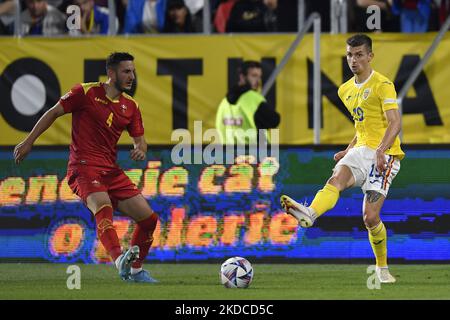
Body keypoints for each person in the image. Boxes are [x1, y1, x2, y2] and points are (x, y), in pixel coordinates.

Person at [14, 52, 158, 284]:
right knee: (103, 206)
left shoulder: (131, 105)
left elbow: (140, 140)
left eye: (133, 71)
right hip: (83, 167)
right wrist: (29, 141)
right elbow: (53, 113)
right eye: (126, 71)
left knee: (149, 220)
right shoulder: (86, 92)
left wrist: (140, 149)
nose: (132, 76)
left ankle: (135, 271)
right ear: (111, 73)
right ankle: (119, 258)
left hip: (111, 171)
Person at [280, 34, 404, 284]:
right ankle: (310, 213)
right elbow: (362, 127)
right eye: (349, 54)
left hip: (386, 154)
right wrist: (349, 149)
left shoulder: (383, 84)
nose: (354, 60)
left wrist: (381, 150)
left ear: (370, 56)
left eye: (359, 54)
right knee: (336, 178)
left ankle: (382, 269)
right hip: (360, 151)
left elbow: (395, 122)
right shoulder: (345, 90)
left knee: (370, 217)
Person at [215, 60, 280, 144]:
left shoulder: (224, 103)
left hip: (229, 154)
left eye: (259, 76)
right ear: (242, 77)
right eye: (254, 76)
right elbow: (274, 120)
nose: (258, 80)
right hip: (255, 153)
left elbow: (220, 128)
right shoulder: (252, 98)